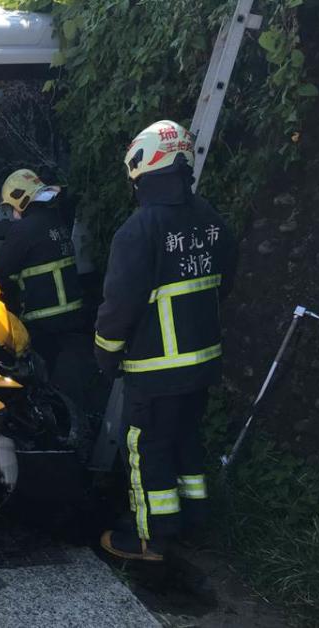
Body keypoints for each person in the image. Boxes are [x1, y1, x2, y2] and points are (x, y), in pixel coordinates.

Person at [95, 121, 236, 562]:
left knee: (147, 449)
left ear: (141, 167)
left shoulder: (138, 231)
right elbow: (223, 282)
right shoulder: (211, 219)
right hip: (203, 364)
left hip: (155, 372)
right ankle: (193, 523)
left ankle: (148, 538)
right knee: (186, 440)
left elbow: (119, 307)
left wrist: (105, 353)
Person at [0, 169, 87, 373]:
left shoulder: (24, 230)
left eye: (10, 206)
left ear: (20, 199)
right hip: (73, 319)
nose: (12, 213)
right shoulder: (56, 221)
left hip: (44, 324)